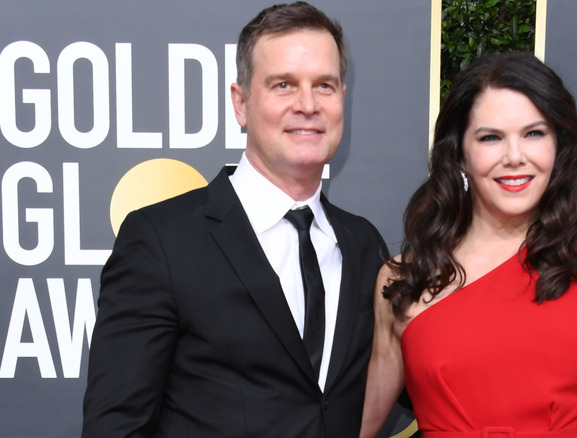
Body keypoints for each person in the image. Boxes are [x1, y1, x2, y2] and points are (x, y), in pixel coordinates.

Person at [82, 3, 386, 437]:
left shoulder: (363, 244)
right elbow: (116, 427)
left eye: (325, 85)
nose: (308, 104)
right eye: (284, 85)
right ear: (241, 103)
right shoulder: (160, 242)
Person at [360, 52, 577, 438]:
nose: (515, 157)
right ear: (460, 156)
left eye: (534, 134)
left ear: (559, 146)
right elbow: (358, 426)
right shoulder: (409, 278)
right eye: (491, 138)